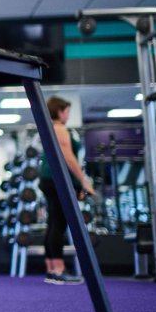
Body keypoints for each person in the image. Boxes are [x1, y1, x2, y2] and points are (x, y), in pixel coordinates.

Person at [39, 96, 95, 285]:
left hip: (48, 179)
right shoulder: (60, 128)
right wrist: (83, 181)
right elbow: (68, 158)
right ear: (60, 111)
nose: (68, 116)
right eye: (67, 112)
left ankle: (51, 269)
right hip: (57, 180)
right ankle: (59, 270)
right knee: (59, 224)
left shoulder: (49, 128)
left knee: (53, 222)